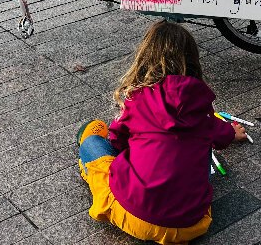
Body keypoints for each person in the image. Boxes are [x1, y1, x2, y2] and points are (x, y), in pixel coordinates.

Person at [77, 21, 248, 244]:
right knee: (201, 146)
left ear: (145, 57)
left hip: (136, 217)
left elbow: (117, 140)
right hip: (191, 224)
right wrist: (232, 134)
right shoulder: (200, 105)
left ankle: (90, 171)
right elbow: (220, 135)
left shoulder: (136, 99)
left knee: (91, 143)